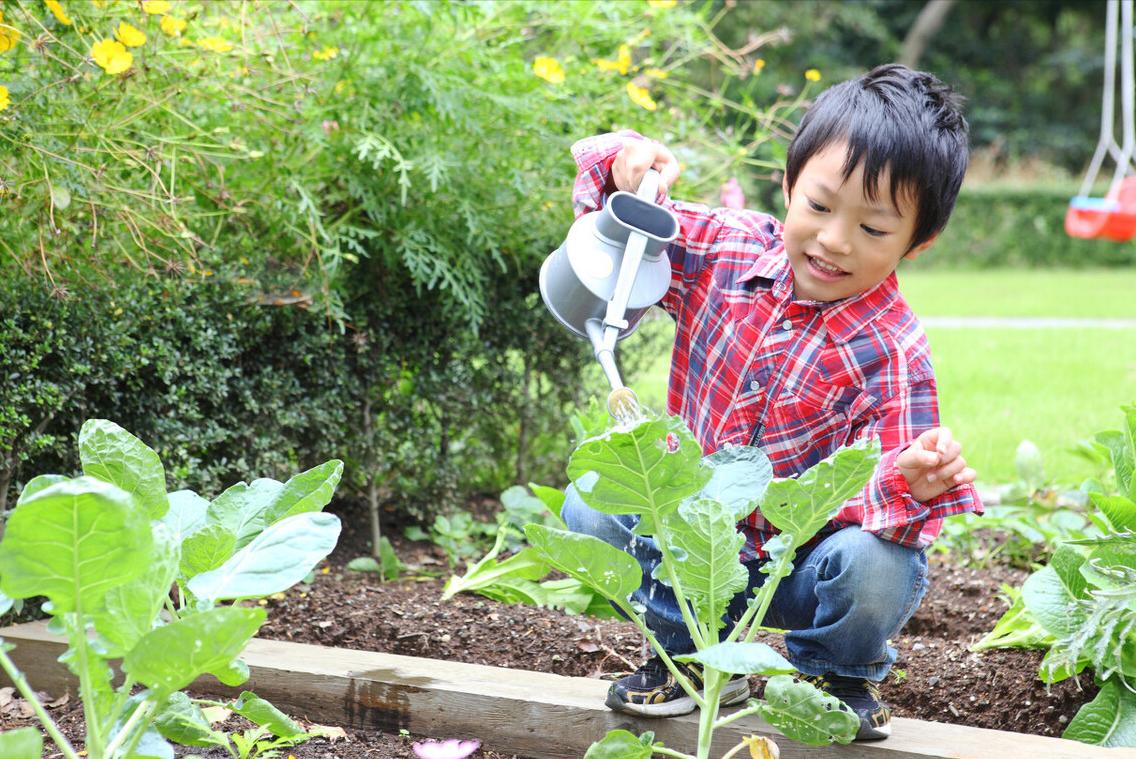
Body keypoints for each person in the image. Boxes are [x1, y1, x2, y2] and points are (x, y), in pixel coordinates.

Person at [561, 64, 983, 741]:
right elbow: (620, 226)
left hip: (797, 567)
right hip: (689, 544)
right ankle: (686, 654)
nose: (835, 240)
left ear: (918, 242)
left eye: (874, 229)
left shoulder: (892, 347)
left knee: (879, 565)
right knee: (591, 500)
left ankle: (831, 674)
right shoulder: (726, 251)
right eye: (819, 206)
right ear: (788, 186)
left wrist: (910, 480)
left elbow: (887, 506)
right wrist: (627, 166)